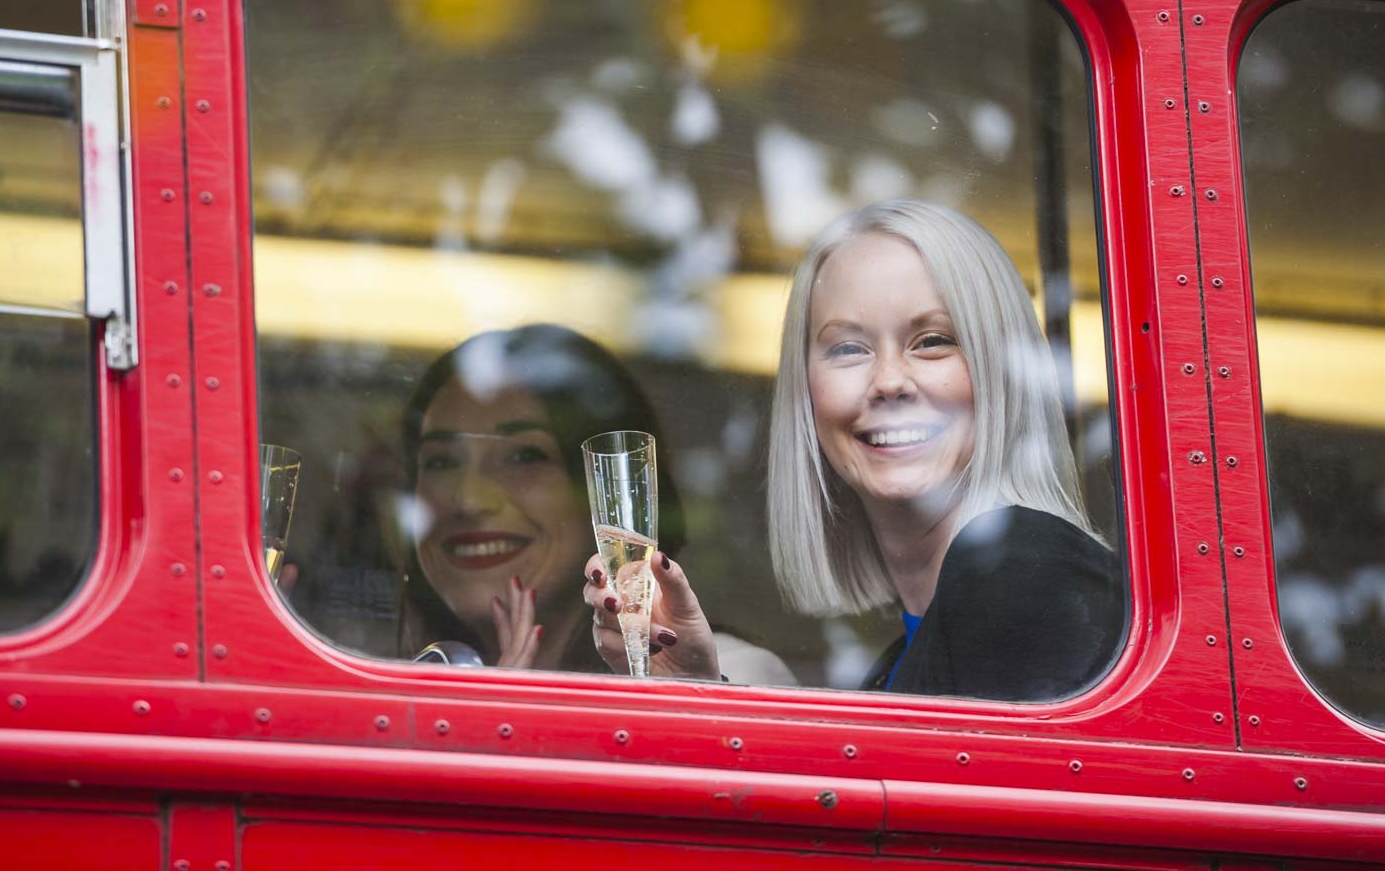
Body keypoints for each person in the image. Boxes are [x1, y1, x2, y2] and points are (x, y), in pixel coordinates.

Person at [583, 199, 1123, 700]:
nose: (889, 381)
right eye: (848, 348)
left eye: (932, 340)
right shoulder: (900, 656)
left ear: (1001, 375)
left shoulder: (1028, 569)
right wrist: (702, 686)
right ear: (805, 395)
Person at [402, 324, 795, 683]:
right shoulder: (389, 674)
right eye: (440, 461)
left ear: (609, 496)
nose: (468, 500)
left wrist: (683, 686)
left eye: (524, 457)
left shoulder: (735, 674)